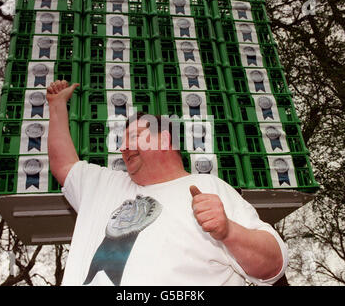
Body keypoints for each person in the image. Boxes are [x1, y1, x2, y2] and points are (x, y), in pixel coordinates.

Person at [47, 80, 288, 286]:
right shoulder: (104, 186)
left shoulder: (209, 186)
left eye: (134, 137)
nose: (124, 148)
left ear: (164, 138)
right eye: (122, 142)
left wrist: (229, 230)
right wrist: (57, 106)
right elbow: (64, 166)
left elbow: (272, 265)